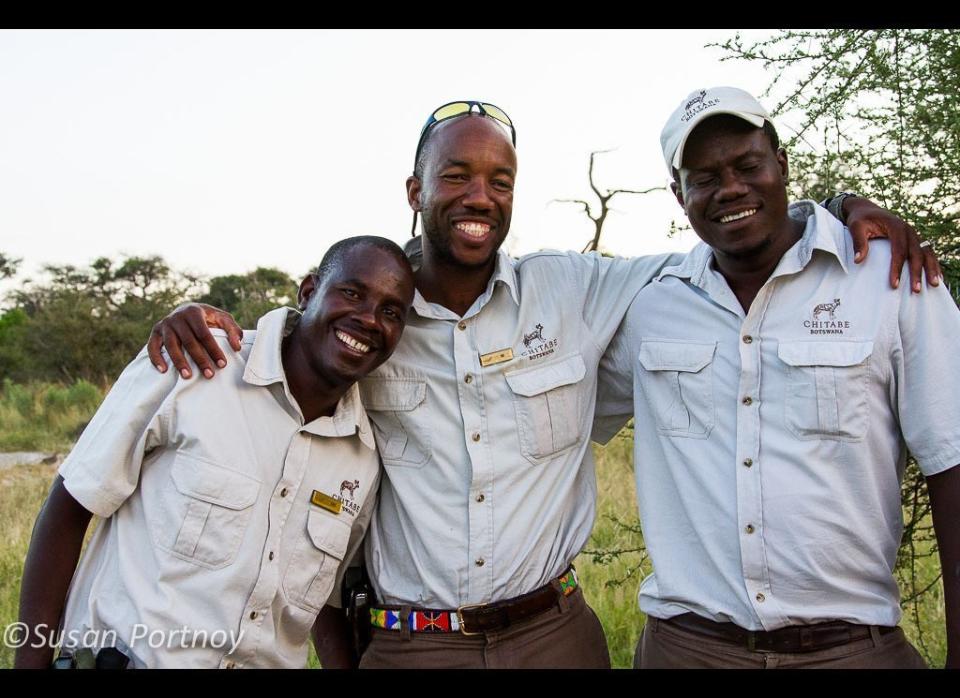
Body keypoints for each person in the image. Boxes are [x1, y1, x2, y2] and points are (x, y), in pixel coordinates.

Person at [148, 101, 940, 669]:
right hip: (411, 642)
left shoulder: (576, 293)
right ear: (415, 191)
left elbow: (735, 244)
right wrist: (191, 314)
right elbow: (293, 355)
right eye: (455, 174)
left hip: (555, 635)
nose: (479, 196)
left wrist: (834, 213)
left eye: (499, 179)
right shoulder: (370, 320)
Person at [594, 86, 960, 669]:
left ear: (782, 164)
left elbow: (952, 462)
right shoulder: (649, 305)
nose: (731, 188)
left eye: (747, 165)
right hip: (687, 650)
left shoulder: (892, 278)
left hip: (851, 650)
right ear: (678, 195)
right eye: (704, 177)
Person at [14, 236, 415, 669]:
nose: (369, 319)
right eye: (352, 293)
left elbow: (322, 604)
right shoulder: (192, 366)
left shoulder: (362, 458)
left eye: (391, 312)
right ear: (309, 290)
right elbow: (70, 506)